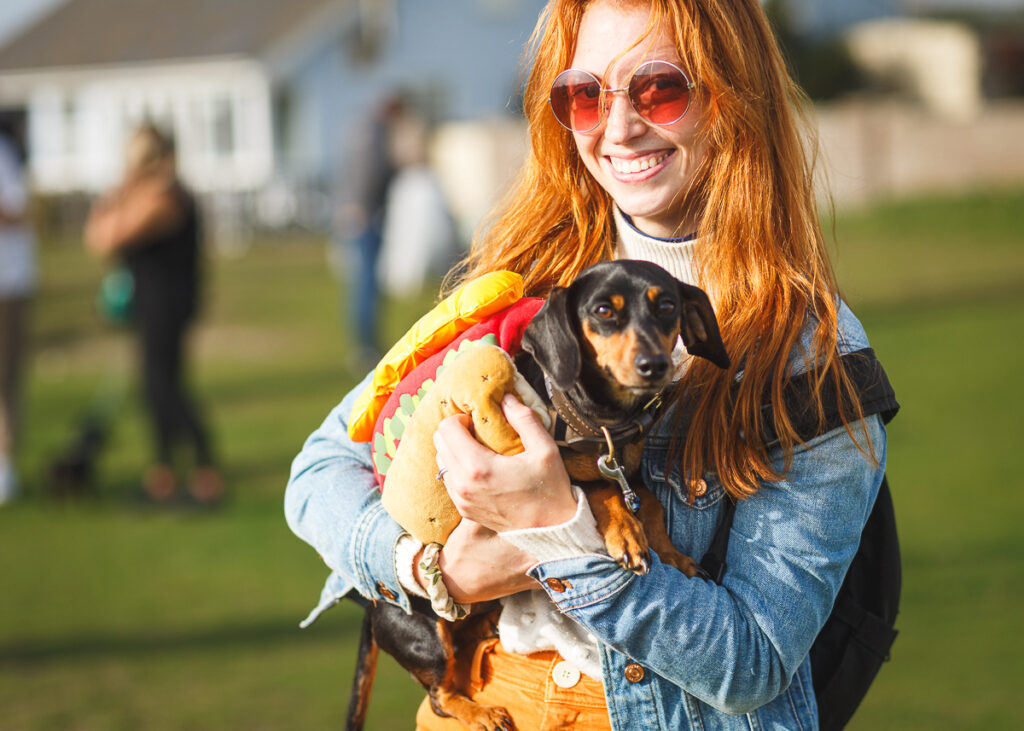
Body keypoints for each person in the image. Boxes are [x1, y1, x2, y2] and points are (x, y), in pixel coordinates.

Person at [286, 1, 893, 728]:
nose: (620, 125)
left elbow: (752, 660)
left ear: (732, 96)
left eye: (659, 87)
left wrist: (558, 528)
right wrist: (438, 570)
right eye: (584, 94)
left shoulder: (808, 353)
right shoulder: (519, 287)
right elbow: (320, 469)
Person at [85, 123, 222, 506]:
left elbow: (106, 236)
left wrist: (122, 192)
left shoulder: (166, 198)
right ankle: (162, 470)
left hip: (168, 304)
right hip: (149, 303)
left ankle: (205, 467)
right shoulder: (143, 195)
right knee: (152, 387)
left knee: (166, 386)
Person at [333, 92, 406, 370]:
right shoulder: (375, 133)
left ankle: (366, 344)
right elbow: (370, 173)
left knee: (363, 284)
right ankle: (366, 347)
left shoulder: (361, 129)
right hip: (365, 218)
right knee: (367, 286)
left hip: (355, 215)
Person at [0, 115, 36, 505]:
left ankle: (4, 469)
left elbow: (17, 212)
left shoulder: (2, 153)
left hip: (7, 286)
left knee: (4, 376)